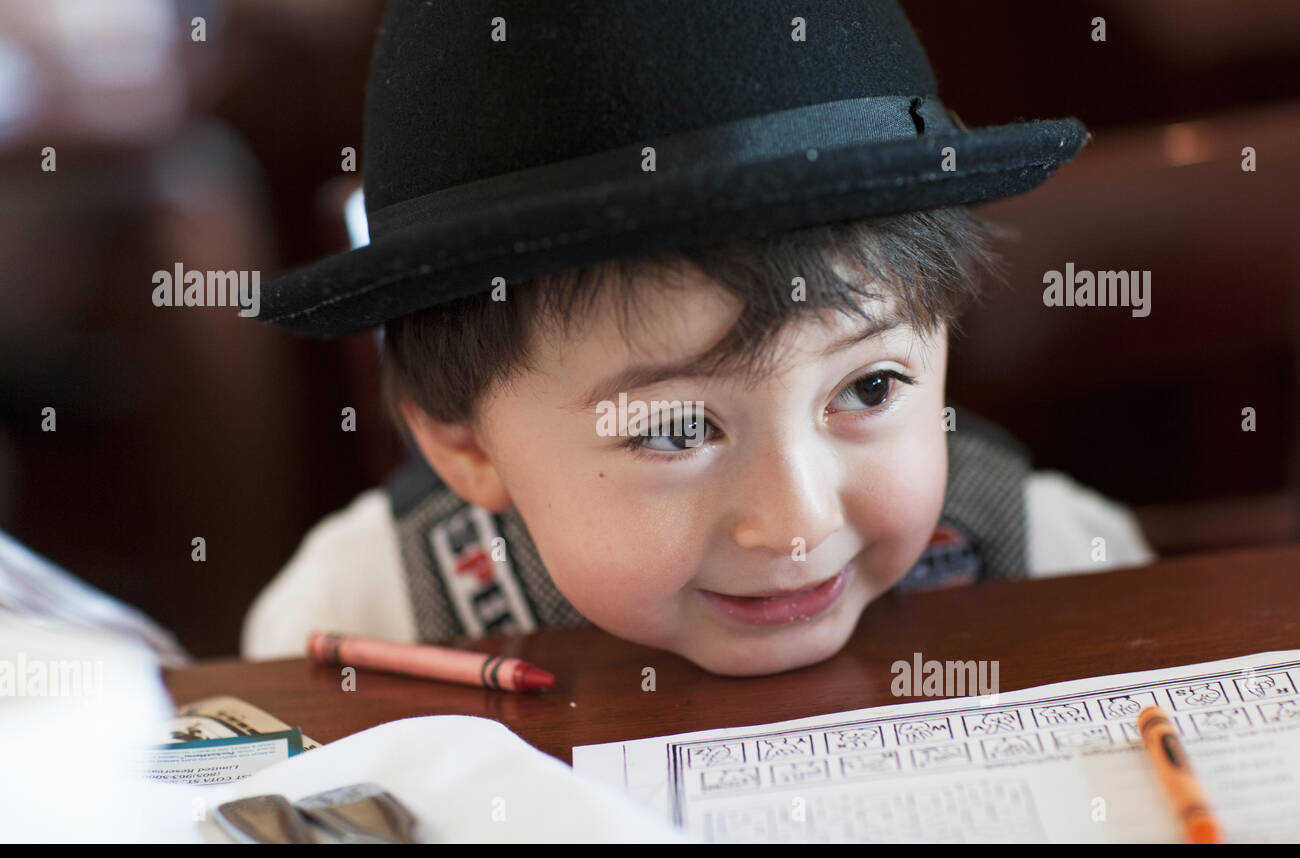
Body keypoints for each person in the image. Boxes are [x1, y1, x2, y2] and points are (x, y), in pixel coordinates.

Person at [242, 0, 1153, 675]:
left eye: (869, 388)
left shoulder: (1053, 556)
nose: (798, 525)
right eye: (675, 429)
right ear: (463, 439)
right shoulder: (360, 615)